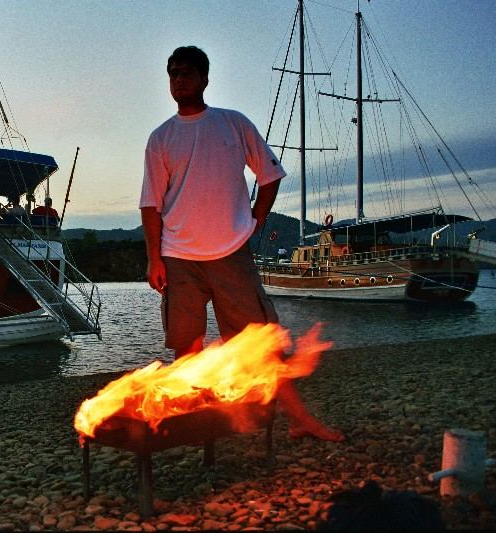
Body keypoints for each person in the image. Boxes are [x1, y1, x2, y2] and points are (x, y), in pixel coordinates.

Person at [139, 46, 343, 442]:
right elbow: (151, 203)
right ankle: (198, 425)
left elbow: (270, 174)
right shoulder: (161, 138)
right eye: (173, 73)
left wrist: (256, 218)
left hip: (232, 252)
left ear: (204, 79)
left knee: (261, 343)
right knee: (187, 347)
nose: (178, 79)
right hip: (178, 255)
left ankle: (301, 418)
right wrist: (154, 259)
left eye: (186, 73)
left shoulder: (232, 124)